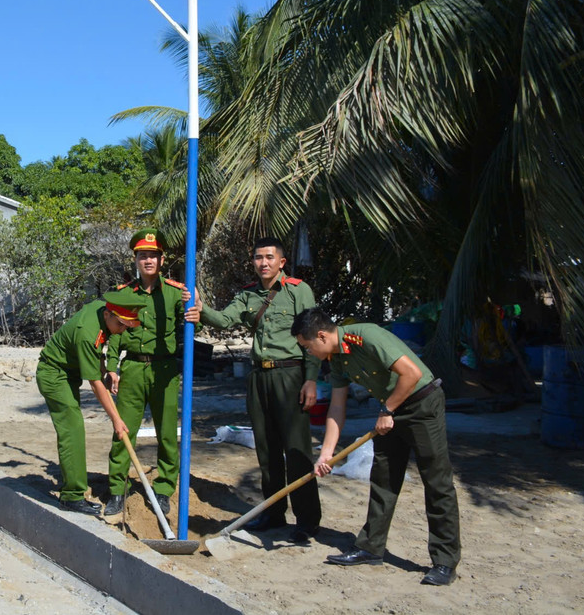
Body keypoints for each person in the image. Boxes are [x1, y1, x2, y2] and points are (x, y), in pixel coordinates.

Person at [293, 308, 461, 586]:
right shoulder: (337, 359)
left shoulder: (366, 336)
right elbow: (337, 407)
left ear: (321, 336)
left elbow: (411, 373)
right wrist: (326, 453)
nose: (308, 352)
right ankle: (370, 548)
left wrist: (387, 410)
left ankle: (445, 562)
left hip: (421, 404)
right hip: (390, 411)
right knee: (383, 478)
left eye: (307, 346)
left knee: (436, 481)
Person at [184, 236, 321, 543]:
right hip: (259, 377)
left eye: (269, 258)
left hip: (290, 375)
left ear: (281, 262)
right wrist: (202, 308)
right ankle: (273, 512)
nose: (263, 263)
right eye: (259, 258)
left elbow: (312, 336)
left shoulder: (298, 290)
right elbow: (224, 319)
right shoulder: (247, 295)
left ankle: (307, 520)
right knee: (267, 450)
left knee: (296, 450)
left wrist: (311, 379)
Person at [103, 229, 189, 520]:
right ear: (136, 260)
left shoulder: (177, 293)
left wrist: (195, 306)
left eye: (153, 255)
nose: (148, 260)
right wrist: (112, 368)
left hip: (165, 370)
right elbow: (115, 334)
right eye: (143, 256)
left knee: (167, 433)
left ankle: (163, 489)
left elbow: (192, 327)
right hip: (133, 369)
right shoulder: (124, 293)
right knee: (123, 430)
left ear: (162, 260)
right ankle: (117, 489)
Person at [36, 288, 140, 514]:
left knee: (73, 427)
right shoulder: (87, 331)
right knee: (72, 429)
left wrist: (106, 369)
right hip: (54, 375)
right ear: (108, 314)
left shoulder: (101, 311)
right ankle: (71, 497)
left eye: (126, 326)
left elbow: (99, 346)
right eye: (121, 325)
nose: (122, 330)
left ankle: (72, 490)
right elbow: (95, 384)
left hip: (68, 372)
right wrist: (116, 420)